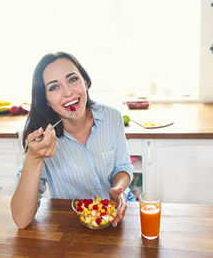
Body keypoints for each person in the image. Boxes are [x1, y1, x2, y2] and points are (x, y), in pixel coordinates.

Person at [11, 51, 135, 229]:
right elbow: (21, 220)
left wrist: (117, 190)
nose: (68, 92)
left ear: (85, 82)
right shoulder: (41, 139)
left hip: (119, 212)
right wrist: (34, 157)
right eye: (54, 87)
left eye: (72, 79)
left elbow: (123, 168)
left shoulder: (112, 117)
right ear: (46, 100)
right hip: (74, 226)